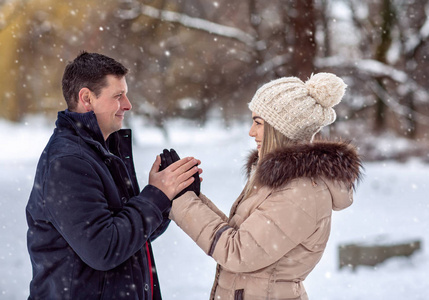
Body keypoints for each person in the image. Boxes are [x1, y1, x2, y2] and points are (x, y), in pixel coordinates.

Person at [167, 73, 363, 299]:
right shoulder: (282, 181)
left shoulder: (300, 191)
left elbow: (237, 252)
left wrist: (181, 200)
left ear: (282, 128)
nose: (251, 132)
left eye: (258, 123)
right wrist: (191, 196)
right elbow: (239, 234)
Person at [26, 51, 200, 300]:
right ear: (87, 98)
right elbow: (104, 248)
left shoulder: (101, 152)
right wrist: (155, 195)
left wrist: (168, 198)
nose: (128, 104)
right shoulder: (68, 162)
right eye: (118, 96)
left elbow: (131, 236)